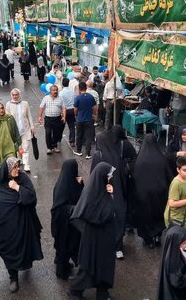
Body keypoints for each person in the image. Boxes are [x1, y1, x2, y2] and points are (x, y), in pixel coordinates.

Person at [0, 157, 44, 294]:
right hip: (5, 227)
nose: (18, 169)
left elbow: (32, 197)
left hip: (23, 224)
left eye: (19, 166)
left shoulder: (22, 179)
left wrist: (17, 188)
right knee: (9, 251)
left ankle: (25, 263)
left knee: (24, 248)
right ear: (7, 169)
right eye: (15, 167)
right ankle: (13, 277)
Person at [69, 162, 117, 300]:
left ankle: (103, 293)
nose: (110, 178)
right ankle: (76, 292)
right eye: (108, 175)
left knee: (103, 265)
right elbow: (103, 214)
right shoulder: (93, 194)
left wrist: (111, 194)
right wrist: (110, 198)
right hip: (94, 238)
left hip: (104, 237)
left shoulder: (101, 190)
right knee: (88, 266)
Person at [91, 125, 137, 259]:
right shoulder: (117, 155)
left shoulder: (98, 155)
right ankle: (118, 247)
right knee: (118, 216)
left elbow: (94, 175)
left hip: (104, 192)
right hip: (118, 191)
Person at [133, 134, 173, 248]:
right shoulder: (161, 158)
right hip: (160, 193)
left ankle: (148, 239)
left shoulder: (140, 160)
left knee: (146, 215)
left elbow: (135, 176)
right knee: (158, 214)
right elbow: (169, 176)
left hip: (143, 194)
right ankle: (157, 236)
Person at [51, 159, 84, 280]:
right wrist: (71, 209)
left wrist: (81, 184)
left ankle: (65, 264)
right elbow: (59, 208)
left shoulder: (71, 181)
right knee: (63, 246)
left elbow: (80, 197)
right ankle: (61, 272)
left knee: (67, 245)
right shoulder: (61, 187)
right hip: (62, 223)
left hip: (70, 223)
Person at [156, 225, 186, 300]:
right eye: (185, 242)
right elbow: (177, 282)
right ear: (176, 243)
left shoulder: (174, 250)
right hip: (175, 295)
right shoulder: (172, 262)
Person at [5, 89, 34, 172]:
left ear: (19, 95)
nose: (15, 96)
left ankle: (26, 165)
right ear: (11, 95)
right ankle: (19, 160)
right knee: (17, 148)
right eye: (13, 95)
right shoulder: (8, 104)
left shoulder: (25, 103)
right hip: (14, 131)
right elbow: (7, 118)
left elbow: (29, 115)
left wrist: (32, 127)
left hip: (25, 129)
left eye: (16, 94)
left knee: (26, 147)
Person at [0, 101, 21, 168]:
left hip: (10, 149)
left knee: (12, 168)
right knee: (2, 170)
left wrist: (20, 147)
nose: (1, 110)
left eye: (2, 108)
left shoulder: (10, 119)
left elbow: (16, 132)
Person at [39, 85, 66, 154]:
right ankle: (49, 148)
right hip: (48, 119)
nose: (55, 91)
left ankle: (54, 146)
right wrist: (40, 116)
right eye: (53, 90)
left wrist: (64, 117)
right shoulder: (46, 98)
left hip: (57, 118)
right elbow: (41, 107)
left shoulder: (61, 98)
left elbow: (63, 108)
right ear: (50, 91)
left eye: (56, 90)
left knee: (56, 133)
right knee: (48, 133)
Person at [74, 82, 98, 159]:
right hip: (89, 119)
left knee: (79, 135)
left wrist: (76, 115)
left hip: (80, 120)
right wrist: (94, 115)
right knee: (88, 136)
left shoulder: (77, 98)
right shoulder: (90, 97)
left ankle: (79, 151)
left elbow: (75, 109)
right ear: (86, 88)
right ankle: (88, 153)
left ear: (79, 89)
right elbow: (94, 107)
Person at [60, 78, 77, 147]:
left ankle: (59, 139)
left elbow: (60, 103)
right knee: (71, 126)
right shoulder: (72, 92)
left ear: (62, 84)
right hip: (72, 110)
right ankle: (72, 141)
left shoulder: (61, 93)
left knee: (61, 126)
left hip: (64, 111)